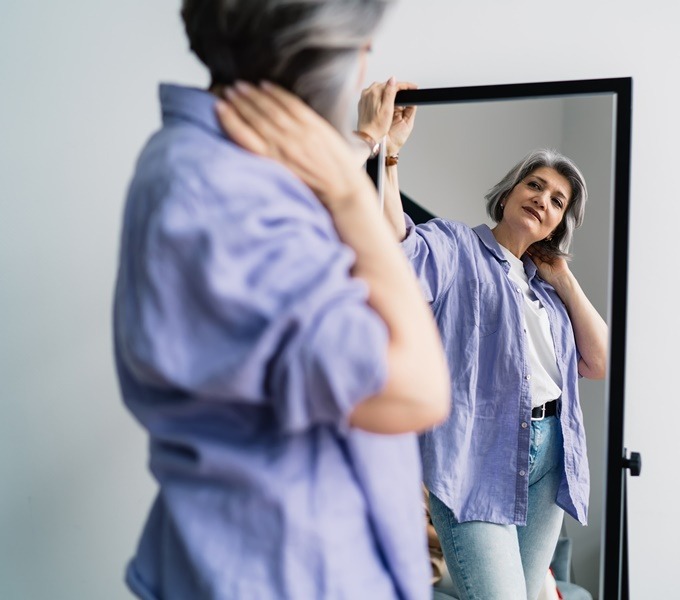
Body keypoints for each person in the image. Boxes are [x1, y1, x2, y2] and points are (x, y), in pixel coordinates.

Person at [219, 80, 609, 600]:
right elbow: (397, 246)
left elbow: (599, 359)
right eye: (534, 185)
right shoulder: (454, 246)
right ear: (510, 191)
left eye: (557, 200)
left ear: (560, 223)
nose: (542, 199)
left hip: (550, 459)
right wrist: (390, 156)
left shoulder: (548, 292)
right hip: (477, 458)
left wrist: (563, 277)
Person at [113, 1, 450, 598]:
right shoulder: (224, 199)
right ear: (323, 52)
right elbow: (418, 389)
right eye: (362, 44)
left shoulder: (219, 164)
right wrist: (352, 199)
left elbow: (292, 188)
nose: (365, 59)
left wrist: (369, 143)